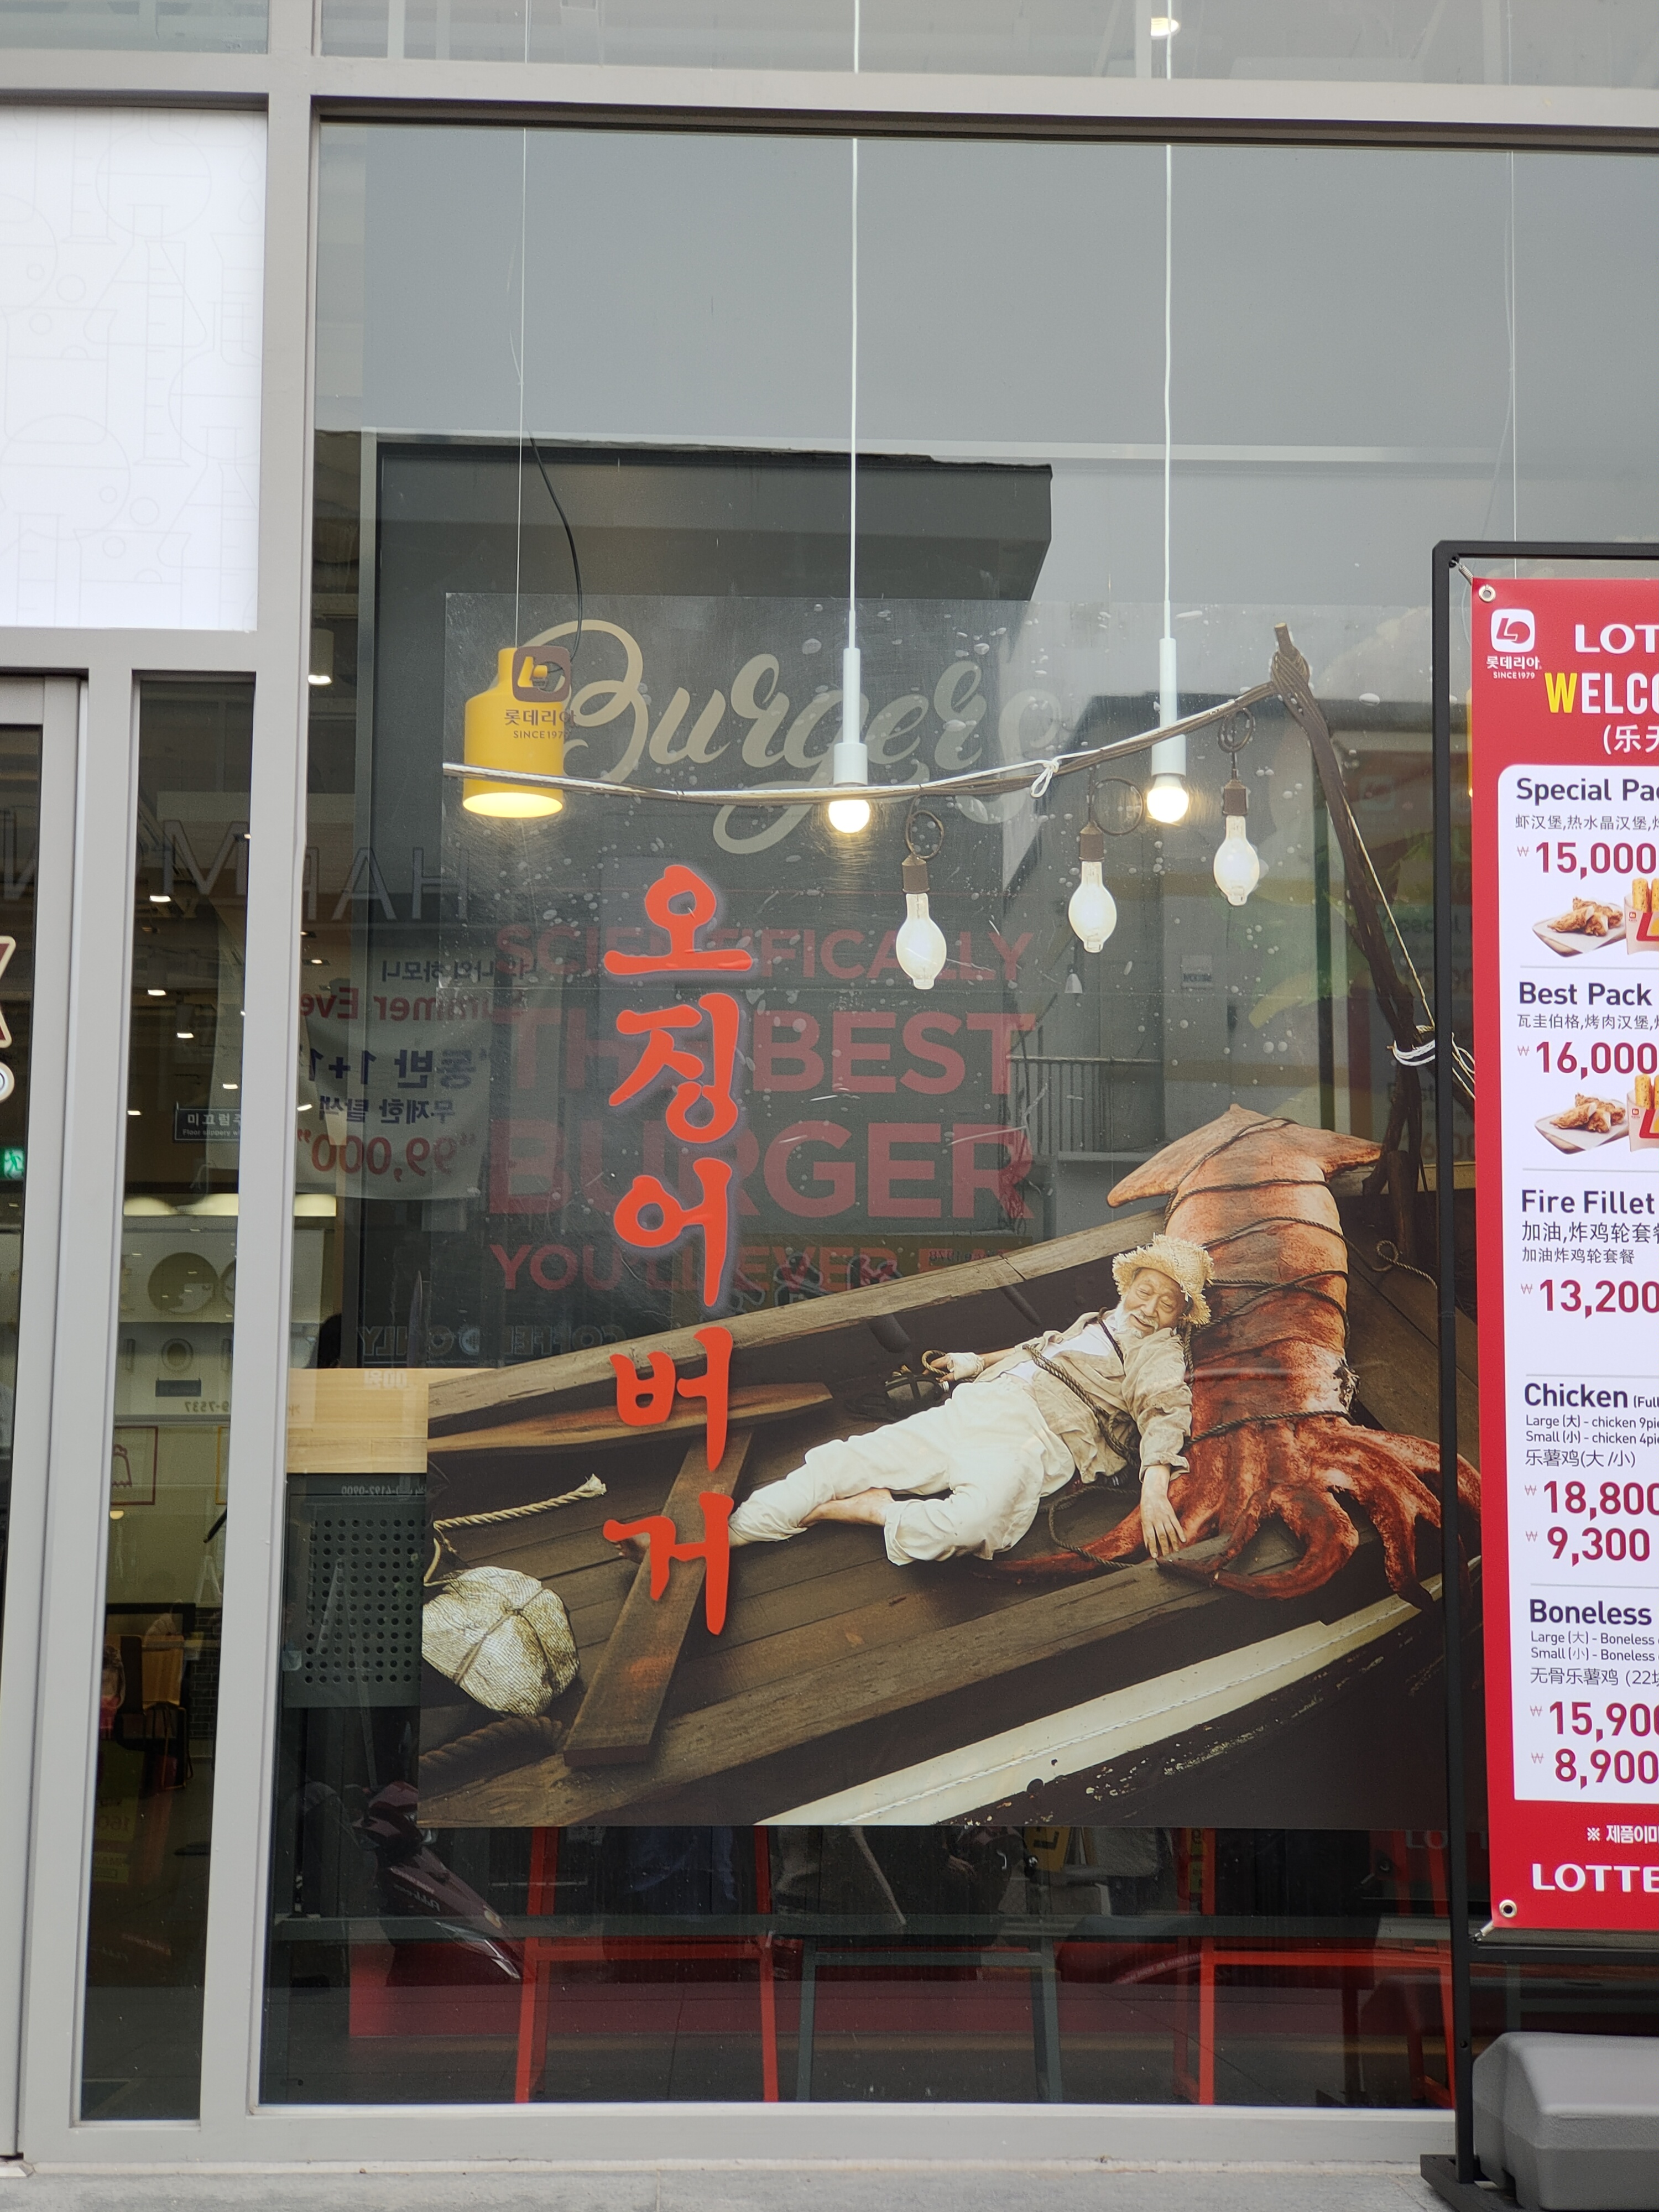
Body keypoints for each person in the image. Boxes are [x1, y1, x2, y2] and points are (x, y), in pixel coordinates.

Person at [727, 1234, 1209, 1567]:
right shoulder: (1098, 1321)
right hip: (979, 1403)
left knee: (972, 1527)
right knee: (842, 1461)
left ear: (1179, 1317)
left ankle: (872, 1510)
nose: (1149, 1308)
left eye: (1166, 1304)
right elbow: (1038, 1348)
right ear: (1129, 1287)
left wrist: (1154, 1489)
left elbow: (1164, 1410)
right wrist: (974, 1362)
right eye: (1145, 1291)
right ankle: (732, 1532)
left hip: (1032, 1440)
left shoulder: (1159, 1352)